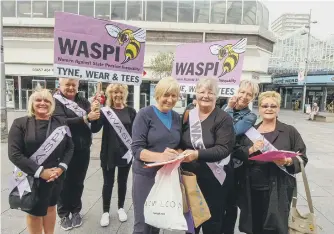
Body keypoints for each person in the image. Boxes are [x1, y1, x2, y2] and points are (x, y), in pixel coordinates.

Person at [235, 91, 308, 234]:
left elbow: (302, 158)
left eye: (273, 106)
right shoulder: (250, 132)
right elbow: (236, 154)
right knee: (254, 228)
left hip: (279, 189)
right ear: (259, 109)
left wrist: (287, 161)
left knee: (276, 228)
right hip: (252, 189)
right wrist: (250, 149)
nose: (269, 109)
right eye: (265, 106)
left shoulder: (289, 131)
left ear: (278, 108)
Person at [8, 88, 74, 234]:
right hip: (31, 176)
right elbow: (14, 154)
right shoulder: (20, 123)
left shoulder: (61, 122)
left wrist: (61, 168)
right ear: (32, 103)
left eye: (47, 100)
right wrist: (40, 172)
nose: (42, 103)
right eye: (38, 100)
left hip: (55, 176)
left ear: (52, 104)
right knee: (34, 212)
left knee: (51, 207)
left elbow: (70, 148)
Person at [180, 78, 235, 234]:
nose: (205, 96)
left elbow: (223, 149)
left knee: (212, 222)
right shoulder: (188, 115)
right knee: (191, 222)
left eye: (210, 92)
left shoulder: (223, 118)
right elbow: (180, 140)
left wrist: (196, 154)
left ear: (216, 96)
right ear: (195, 94)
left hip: (214, 180)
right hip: (190, 178)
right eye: (202, 92)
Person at [131, 77, 181, 234]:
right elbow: (137, 150)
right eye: (166, 95)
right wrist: (161, 157)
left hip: (165, 176)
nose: (170, 99)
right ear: (158, 95)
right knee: (143, 224)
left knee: (157, 220)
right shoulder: (144, 114)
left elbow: (177, 145)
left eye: (174, 95)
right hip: (145, 176)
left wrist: (179, 153)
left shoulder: (177, 117)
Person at [53, 78, 100, 230]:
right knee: (63, 182)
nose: (71, 87)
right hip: (63, 148)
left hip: (82, 148)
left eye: (74, 85)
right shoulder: (55, 101)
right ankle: (64, 213)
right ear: (60, 85)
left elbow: (94, 127)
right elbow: (61, 121)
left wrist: (97, 111)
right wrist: (85, 117)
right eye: (67, 84)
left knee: (78, 181)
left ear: (78, 86)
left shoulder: (84, 102)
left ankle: (76, 210)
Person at [91, 84, 137, 227]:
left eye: (120, 92)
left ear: (125, 94)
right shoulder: (105, 111)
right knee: (108, 183)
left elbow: (135, 132)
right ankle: (105, 212)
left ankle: (121, 208)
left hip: (126, 153)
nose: (118, 95)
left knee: (123, 182)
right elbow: (94, 128)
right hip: (108, 153)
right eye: (115, 92)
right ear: (110, 94)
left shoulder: (131, 111)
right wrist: (94, 113)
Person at [221, 79, 259, 234]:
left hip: (234, 165)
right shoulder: (224, 107)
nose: (244, 96)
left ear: (253, 98)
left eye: (249, 94)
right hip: (215, 161)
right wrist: (228, 108)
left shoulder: (250, 116)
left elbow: (231, 131)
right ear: (236, 92)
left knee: (231, 203)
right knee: (216, 201)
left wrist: (229, 109)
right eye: (242, 92)